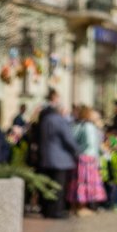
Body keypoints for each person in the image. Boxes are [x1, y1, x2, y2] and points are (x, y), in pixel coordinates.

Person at [35, 90, 79, 219]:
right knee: (58, 187)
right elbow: (68, 139)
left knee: (47, 185)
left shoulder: (44, 120)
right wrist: (76, 151)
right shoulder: (59, 121)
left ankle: (46, 210)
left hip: (46, 157)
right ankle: (56, 211)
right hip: (60, 159)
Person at [71, 106, 107, 214]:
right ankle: (82, 207)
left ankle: (76, 207)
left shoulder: (77, 125)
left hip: (79, 157)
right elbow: (90, 143)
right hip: (88, 157)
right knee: (86, 183)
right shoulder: (89, 126)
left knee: (78, 182)